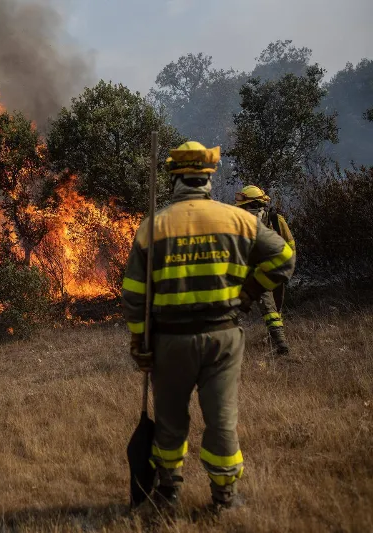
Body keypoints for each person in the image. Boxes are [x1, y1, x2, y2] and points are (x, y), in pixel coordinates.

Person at [121, 141, 295, 512]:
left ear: (175, 179)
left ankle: (167, 494)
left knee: (169, 424)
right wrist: (248, 293)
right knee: (221, 421)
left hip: (170, 343)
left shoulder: (154, 226)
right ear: (208, 179)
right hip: (223, 338)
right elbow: (283, 257)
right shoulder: (240, 220)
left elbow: (134, 293)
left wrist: (141, 339)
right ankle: (224, 498)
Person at [235, 185, 295, 355]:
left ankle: (274, 339)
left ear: (256, 205)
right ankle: (281, 344)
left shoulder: (276, 220)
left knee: (276, 308)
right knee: (269, 309)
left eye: (246, 207)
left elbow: (290, 244)